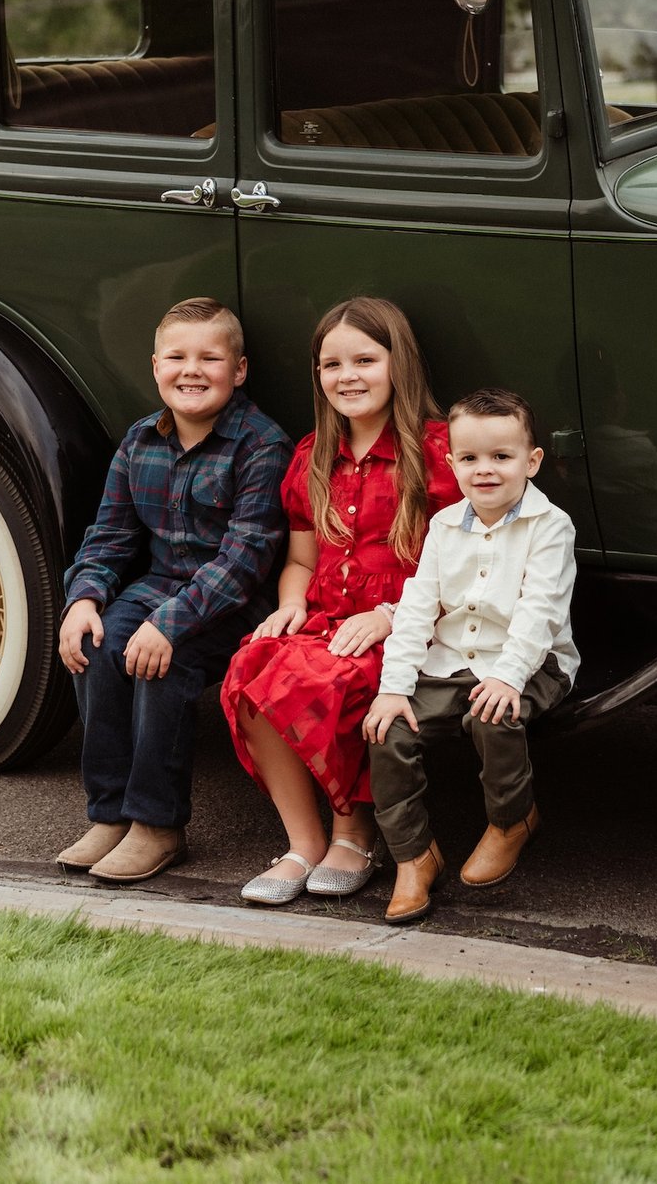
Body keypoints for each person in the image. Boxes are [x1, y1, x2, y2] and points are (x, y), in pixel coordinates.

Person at [220, 297, 455, 906]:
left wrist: (387, 617)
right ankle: (302, 843)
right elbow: (300, 559)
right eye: (331, 365)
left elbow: (463, 569)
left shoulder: (437, 453)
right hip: (326, 614)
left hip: (407, 623)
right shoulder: (311, 458)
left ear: (398, 363)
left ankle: (354, 834)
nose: (347, 376)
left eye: (365, 360)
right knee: (252, 666)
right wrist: (290, 605)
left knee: (331, 679)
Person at [54, 297, 288, 885]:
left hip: (238, 602)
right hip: (158, 587)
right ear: (155, 366)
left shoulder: (260, 445)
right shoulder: (139, 442)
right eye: (177, 357)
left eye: (210, 357)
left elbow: (244, 560)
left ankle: (157, 825)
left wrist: (170, 624)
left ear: (238, 371)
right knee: (98, 645)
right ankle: (110, 815)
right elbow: (108, 536)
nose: (192, 370)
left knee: (166, 661)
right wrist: (83, 596)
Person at [363, 386, 580, 925]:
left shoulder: (550, 527)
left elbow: (540, 612)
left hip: (532, 662)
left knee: (493, 714)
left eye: (501, 457)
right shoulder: (443, 527)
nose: (485, 470)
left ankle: (512, 819)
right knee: (388, 732)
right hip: (453, 660)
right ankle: (415, 856)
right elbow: (416, 609)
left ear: (531, 462)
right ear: (452, 461)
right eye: (470, 458)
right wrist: (394, 686)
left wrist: (508, 677)